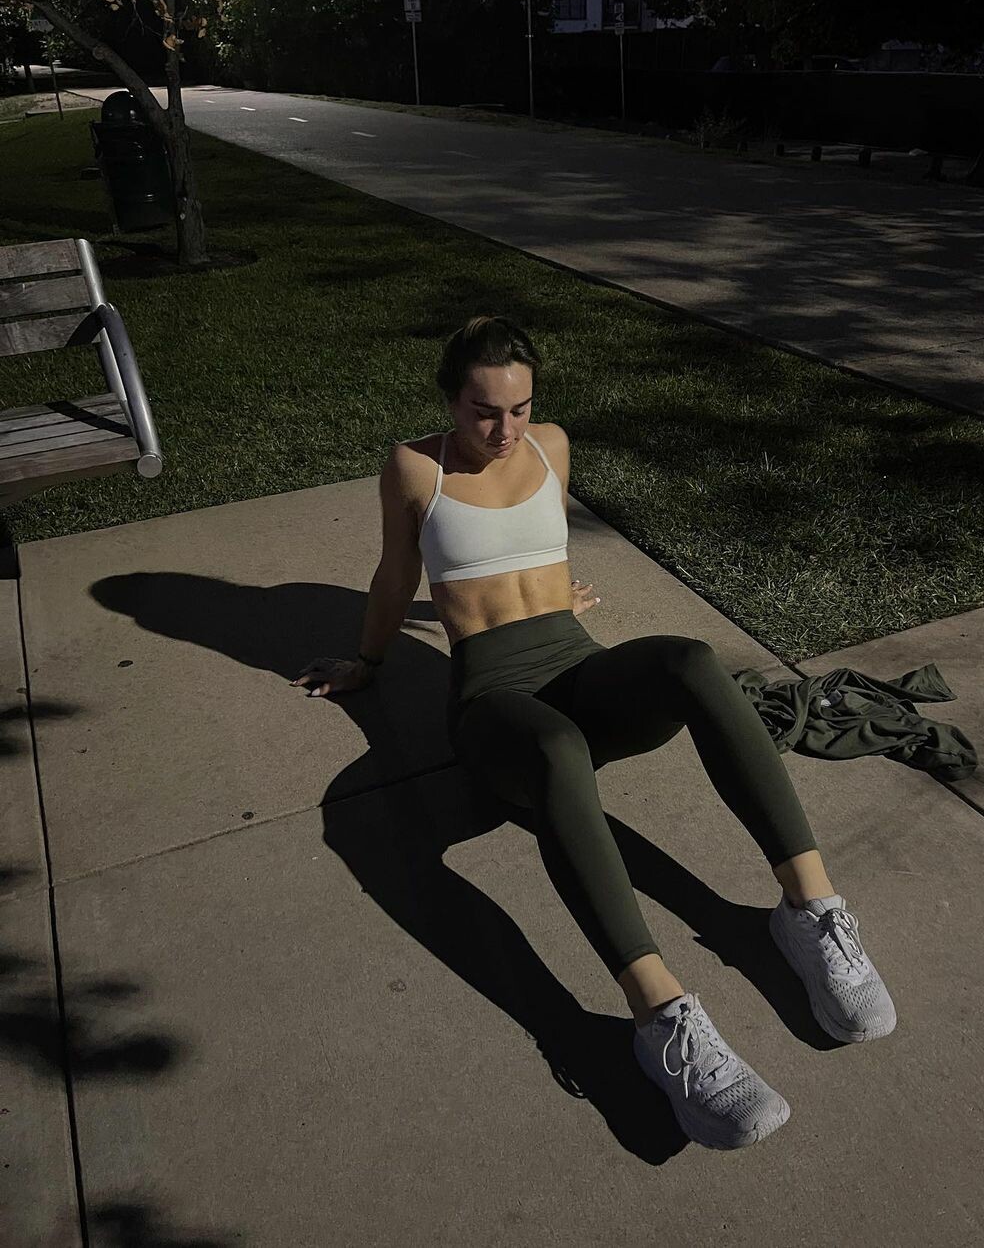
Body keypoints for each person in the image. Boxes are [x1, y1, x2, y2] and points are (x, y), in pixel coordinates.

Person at [291, 315, 896, 1150]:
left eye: (519, 408)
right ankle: (663, 1017)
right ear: (450, 399)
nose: (505, 430)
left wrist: (553, 591)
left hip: (576, 665)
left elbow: (534, 542)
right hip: (495, 705)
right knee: (554, 749)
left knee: (691, 661)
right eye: (483, 411)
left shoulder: (552, 445)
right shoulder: (414, 466)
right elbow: (398, 573)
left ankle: (810, 910)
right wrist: (368, 660)